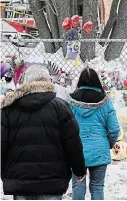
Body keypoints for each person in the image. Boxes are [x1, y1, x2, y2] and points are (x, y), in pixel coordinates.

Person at [1, 66, 86, 200]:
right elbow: (72, 143)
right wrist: (79, 170)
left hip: (20, 181)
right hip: (52, 181)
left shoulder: (9, 109)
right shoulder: (61, 107)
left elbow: (2, 144)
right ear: (48, 81)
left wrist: (4, 173)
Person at [68, 68, 120, 200]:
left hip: (76, 150)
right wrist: (109, 143)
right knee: (97, 186)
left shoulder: (71, 102)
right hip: (99, 149)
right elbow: (114, 129)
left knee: (78, 185)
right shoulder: (105, 102)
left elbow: (65, 128)